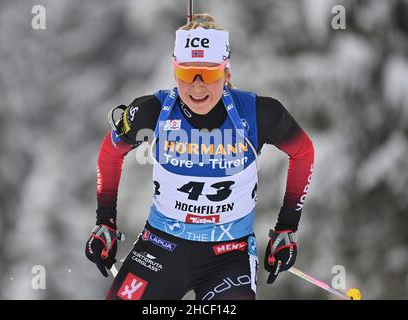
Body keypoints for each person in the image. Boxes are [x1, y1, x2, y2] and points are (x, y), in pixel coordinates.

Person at [85, 13, 314, 300]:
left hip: (229, 253)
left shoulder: (259, 113)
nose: (196, 86)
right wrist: (105, 221)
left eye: (208, 74)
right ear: (174, 71)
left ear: (226, 73)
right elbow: (110, 151)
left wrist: (287, 227)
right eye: (186, 73)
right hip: (161, 246)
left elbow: (303, 152)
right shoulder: (151, 112)